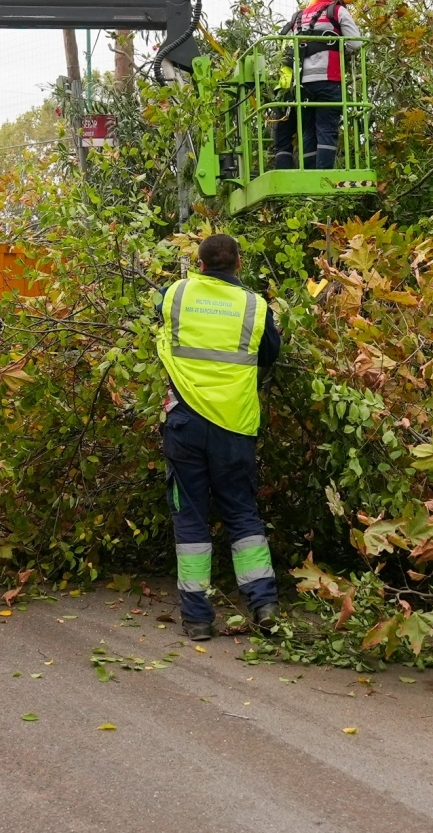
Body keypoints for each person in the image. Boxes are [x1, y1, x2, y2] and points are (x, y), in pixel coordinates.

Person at [155, 233, 282, 640]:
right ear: (239, 263)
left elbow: (159, 313)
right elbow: (270, 354)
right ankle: (263, 605)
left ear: (200, 263)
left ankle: (197, 619)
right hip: (234, 425)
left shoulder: (176, 294)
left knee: (190, 518)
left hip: (185, 424)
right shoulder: (255, 306)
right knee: (242, 512)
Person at [273, 0, 362, 171]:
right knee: (327, 129)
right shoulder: (337, 11)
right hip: (328, 79)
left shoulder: (301, 15)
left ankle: (309, 174)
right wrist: (341, 47)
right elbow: (356, 44)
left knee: (309, 131)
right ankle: (323, 175)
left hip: (302, 83)